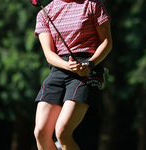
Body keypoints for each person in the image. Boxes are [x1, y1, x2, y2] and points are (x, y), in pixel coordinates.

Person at [33, 0, 112, 149]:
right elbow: (49, 54)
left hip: (88, 67)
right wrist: (67, 65)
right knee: (41, 132)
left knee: (62, 132)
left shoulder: (92, 4)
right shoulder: (44, 13)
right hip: (59, 68)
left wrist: (90, 63)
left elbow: (107, 42)